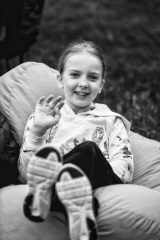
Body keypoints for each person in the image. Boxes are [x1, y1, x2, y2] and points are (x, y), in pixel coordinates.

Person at [18, 40, 134, 240]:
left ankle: (54, 194)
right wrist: (38, 131)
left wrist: (90, 174)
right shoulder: (43, 118)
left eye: (93, 77)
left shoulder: (110, 121)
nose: (83, 83)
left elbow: (125, 168)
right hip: (57, 181)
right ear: (60, 79)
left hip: (102, 181)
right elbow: (25, 171)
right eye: (74, 74)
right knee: (49, 161)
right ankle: (72, 205)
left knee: (87, 150)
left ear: (101, 85)